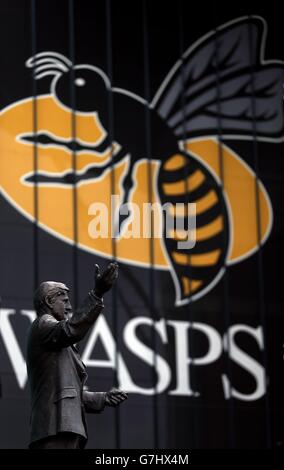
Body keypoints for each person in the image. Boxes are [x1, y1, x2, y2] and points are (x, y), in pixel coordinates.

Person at [26, 262, 127, 449]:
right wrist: (97, 294)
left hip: (64, 427)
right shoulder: (44, 324)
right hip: (54, 427)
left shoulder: (56, 339)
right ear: (49, 302)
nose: (69, 306)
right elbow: (71, 329)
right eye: (64, 301)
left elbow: (69, 394)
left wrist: (103, 398)